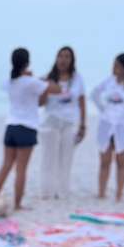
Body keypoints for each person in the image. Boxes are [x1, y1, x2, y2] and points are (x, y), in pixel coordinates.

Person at [0, 48, 62, 209]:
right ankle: (17, 204)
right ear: (27, 62)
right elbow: (57, 90)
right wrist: (42, 79)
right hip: (27, 127)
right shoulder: (31, 82)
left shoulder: (10, 81)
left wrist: (30, 78)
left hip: (10, 126)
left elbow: (11, 86)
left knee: (6, 164)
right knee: (21, 169)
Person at [92, 53, 124, 201]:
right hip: (107, 124)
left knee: (121, 161)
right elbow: (95, 93)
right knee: (104, 160)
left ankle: (119, 194)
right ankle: (101, 193)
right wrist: (103, 109)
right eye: (113, 64)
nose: (113, 68)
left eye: (117, 65)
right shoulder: (109, 81)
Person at [38, 46, 86, 198]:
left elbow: (82, 101)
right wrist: (45, 89)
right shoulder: (47, 78)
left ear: (72, 60)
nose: (63, 60)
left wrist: (83, 125)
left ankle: (62, 191)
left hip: (69, 123)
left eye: (67, 57)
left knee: (66, 159)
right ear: (56, 58)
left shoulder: (77, 79)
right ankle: (47, 191)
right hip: (50, 122)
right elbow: (40, 103)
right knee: (48, 158)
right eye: (61, 56)